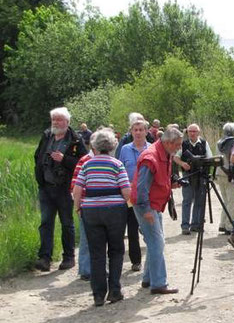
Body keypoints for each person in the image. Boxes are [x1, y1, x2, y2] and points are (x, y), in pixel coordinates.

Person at [73, 128, 131, 307]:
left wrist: (78, 208)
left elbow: (77, 189)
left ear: (95, 146)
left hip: (91, 211)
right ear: (112, 145)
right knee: (116, 250)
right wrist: (127, 207)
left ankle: (98, 294)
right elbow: (126, 190)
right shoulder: (116, 164)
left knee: (96, 253)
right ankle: (114, 291)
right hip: (114, 210)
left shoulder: (87, 165)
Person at [131, 126, 183, 294]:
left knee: (155, 242)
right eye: (177, 145)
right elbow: (141, 188)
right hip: (146, 205)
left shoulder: (164, 153)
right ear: (167, 142)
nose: (179, 148)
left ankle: (148, 279)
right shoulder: (151, 157)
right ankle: (159, 283)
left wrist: (171, 185)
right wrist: (146, 210)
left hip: (153, 203)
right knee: (157, 242)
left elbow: (158, 180)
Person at [34, 107, 87, 272]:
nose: (55, 123)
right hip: (47, 187)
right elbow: (38, 156)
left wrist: (65, 159)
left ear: (67, 122)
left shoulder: (76, 140)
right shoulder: (47, 136)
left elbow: (83, 162)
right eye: (53, 120)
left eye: (59, 120)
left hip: (65, 188)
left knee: (66, 223)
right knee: (46, 223)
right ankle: (45, 258)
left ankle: (69, 257)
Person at [118, 118, 152, 272]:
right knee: (132, 229)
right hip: (130, 196)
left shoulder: (152, 149)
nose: (138, 133)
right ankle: (136, 260)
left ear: (146, 131)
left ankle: (152, 260)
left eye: (141, 130)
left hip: (149, 195)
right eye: (135, 130)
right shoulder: (125, 149)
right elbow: (119, 170)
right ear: (131, 132)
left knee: (150, 229)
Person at [173, 123, 212, 235]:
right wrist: (183, 163)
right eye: (190, 131)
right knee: (187, 201)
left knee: (199, 201)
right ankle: (185, 226)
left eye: (194, 131)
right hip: (188, 175)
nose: (192, 133)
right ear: (187, 132)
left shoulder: (204, 143)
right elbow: (175, 157)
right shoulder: (184, 144)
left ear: (198, 132)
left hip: (200, 175)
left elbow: (209, 157)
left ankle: (196, 224)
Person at [70, 132, 97, 281]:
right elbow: (75, 185)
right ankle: (85, 269)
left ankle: (96, 268)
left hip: (102, 207)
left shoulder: (110, 160)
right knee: (86, 238)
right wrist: (78, 205)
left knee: (99, 239)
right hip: (86, 206)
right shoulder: (84, 161)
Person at [216, 122, 234, 235]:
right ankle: (230, 226)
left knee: (225, 200)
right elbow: (231, 159)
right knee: (233, 201)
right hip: (229, 174)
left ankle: (222, 224)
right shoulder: (233, 142)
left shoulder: (219, 142)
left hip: (219, 173)